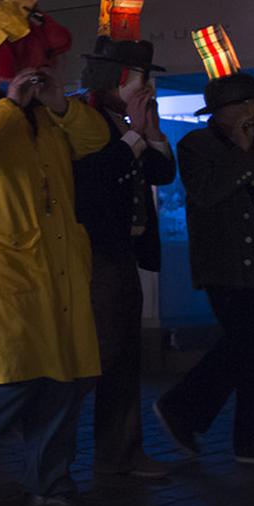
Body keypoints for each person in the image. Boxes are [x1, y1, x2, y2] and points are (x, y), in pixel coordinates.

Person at [0, 0, 111, 506]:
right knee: (6, 385)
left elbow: (95, 141)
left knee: (66, 381)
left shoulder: (55, 113)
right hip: (4, 277)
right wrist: (11, 107)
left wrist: (60, 105)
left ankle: (52, 482)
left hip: (61, 272)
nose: (39, 69)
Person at [154, 38, 254, 468]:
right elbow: (205, 193)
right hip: (226, 265)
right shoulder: (197, 146)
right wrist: (244, 155)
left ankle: (201, 418)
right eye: (253, 105)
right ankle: (212, 422)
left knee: (253, 347)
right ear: (232, 109)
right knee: (251, 345)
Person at [74, 30, 175, 479]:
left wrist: (149, 133)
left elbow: (161, 173)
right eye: (137, 77)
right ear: (112, 78)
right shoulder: (81, 115)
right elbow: (95, 180)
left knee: (124, 355)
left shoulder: (129, 119)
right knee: (102, 354)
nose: (145, 86)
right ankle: (74, 448)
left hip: (125, 251)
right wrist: (135, 135)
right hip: (96, 252)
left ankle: (121, 451)